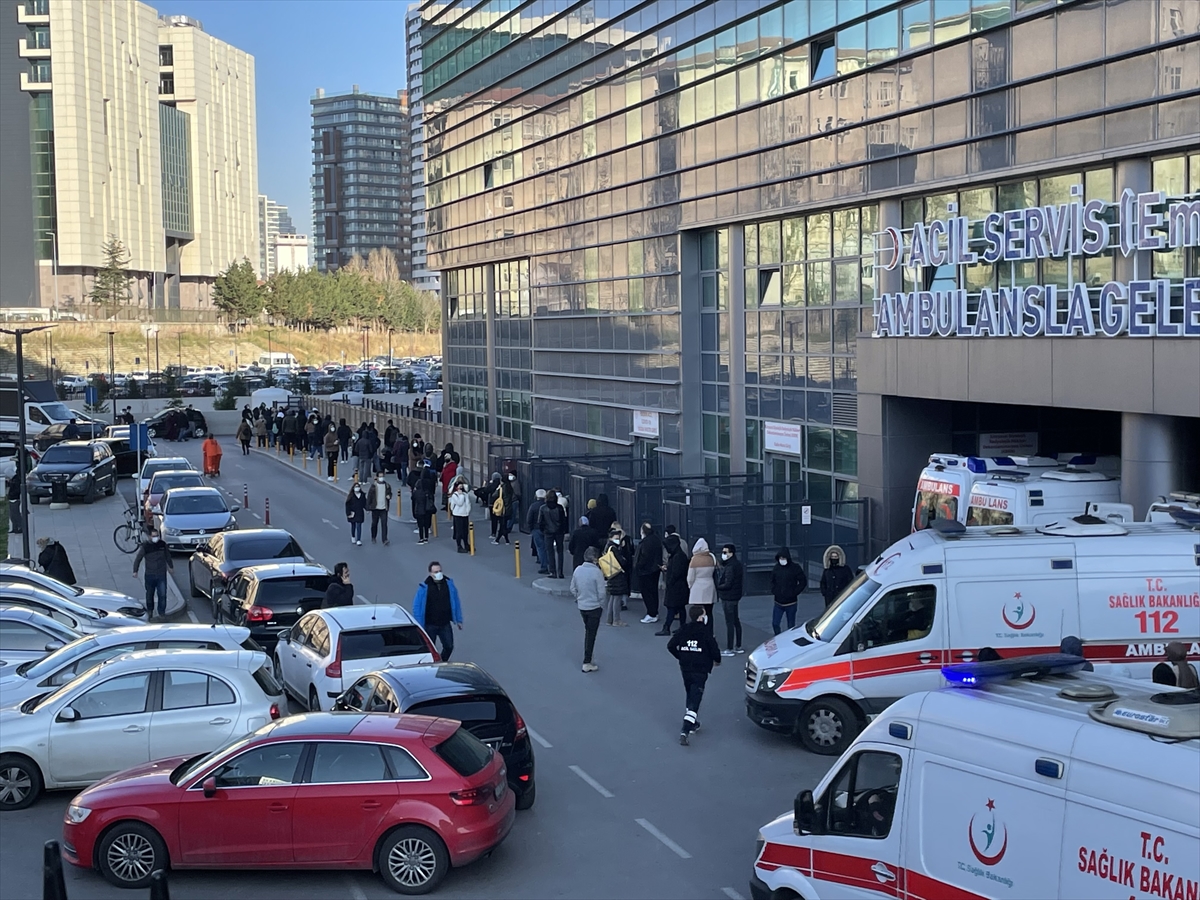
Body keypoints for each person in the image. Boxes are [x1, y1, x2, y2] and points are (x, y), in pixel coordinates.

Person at [668, 605, 722, 746]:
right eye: (704, 615)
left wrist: (681, 656)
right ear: (700, 617)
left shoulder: (684, 629)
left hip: (685, 668)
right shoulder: (705, 632)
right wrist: (716, 661)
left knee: (690, 693)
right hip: (700, 669)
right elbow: (714, 650)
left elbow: (671, 645)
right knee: (695, 699)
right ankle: (685, 730)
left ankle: (692, 723)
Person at [412, 561, 463, 661]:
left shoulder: (449, 585)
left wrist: (459, 619)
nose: (438, 574)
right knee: (430, 649)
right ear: (430, 573)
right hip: (430, 624)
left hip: (445, 623)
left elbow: (456, 602)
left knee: (449, 646)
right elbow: (417, 606)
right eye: (435, 572)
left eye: (440, 571)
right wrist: (419, 625)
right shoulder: (424, 587)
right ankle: (432, 665)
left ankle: (442, 661)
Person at [571, 546, 606, 672]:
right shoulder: (597, 572)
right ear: (595, 559)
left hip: (582, 606)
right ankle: (587, 661)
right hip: (594, 607)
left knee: (588, 630)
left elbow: (573, 588)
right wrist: (601, 604)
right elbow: (601, 593)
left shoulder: (578, 570)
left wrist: (579, 597)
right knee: (591, 634)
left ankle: (589, 657)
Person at [132, 530, 173, 619]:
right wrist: (135, 570)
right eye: (154, 536)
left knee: (162, 594)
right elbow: (138, 558)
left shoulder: (162, 544)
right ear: (150, 536)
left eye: (157, 535)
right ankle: (150, 611)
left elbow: (168, 556)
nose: (156, 538)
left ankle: (162, 612)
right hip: (150, 574)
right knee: (149, 594)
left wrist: (170, 566)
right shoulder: (146, 546)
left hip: (161, 574)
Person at [656, 532, 690, 635]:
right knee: (680, 608)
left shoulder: (678, 557)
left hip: (676, 587)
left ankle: (667, 628)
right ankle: (681, 627)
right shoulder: (678, 555)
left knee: (672, 607)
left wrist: (669, 581)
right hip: (679, 586)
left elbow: (676, 573)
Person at [598, 525, 632, 626]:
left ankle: (610, 619)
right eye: (616, 538)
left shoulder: (607, 546)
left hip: (611, 574)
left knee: (612, 598)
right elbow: (622, 562)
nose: (618, 540)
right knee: (617, 598)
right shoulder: (614, 548)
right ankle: (616, 620)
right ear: (611, 538)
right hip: (617, 575)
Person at [715, 543, 744, 656]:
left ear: (731, 553)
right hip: (734, 596)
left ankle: (730, 648)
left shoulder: (730, 566)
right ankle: (738, 645)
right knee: (735, 621)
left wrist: (718, 587)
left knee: (729, 622)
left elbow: (728, 583)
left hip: (728, 596)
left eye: (725, 552)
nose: (723, 554)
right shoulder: (736, 564)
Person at [770, 547, 807, 635]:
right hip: (778, 602)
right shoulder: (776, 568)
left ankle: (788, 641)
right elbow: (772, 581)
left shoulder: (795, 568)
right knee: (775, 623)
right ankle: (778, 637)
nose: (782, 560)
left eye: (783, 558)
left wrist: (794, 592)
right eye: (780, 558)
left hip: (791, 603)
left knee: (791, 626)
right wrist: (774, 591)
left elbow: (803, 581)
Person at [686, 538, 717, 635]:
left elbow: (690, 578)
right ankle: (710, 632)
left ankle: (699, 632)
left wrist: (690, 586)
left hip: (697, 588)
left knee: (698, 613)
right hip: (710, 586)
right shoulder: (711, 557)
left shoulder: (695, 560)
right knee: (709, 612)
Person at [634, 522, 663, 624]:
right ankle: (654, 612)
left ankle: (651, 613)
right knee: (653, 592)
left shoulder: (646, 542)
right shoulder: (656, 539)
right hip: (655, 570)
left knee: (647, 593)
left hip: (646, 571)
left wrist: (638, 566)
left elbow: (644, 557)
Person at [539, 490, 568, 578]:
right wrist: (563, 530)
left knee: (550, 552)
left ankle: (553, 571)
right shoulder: (559, 508)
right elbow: (564, 521)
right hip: (559, 532)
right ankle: (560, 572)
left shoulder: (543, 508)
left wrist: (543, 530)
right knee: (560, 551)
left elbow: (540, 522)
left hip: (548, 532)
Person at [412, 463, 436, 544]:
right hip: (428, 506)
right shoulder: (430, 483)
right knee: (426, 522)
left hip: (419, 508)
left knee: (420, 524)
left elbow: (413, 500)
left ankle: (421, 538)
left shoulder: (417, 490)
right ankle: (426, 537)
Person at [526, 489, 548, 573]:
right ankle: (548, 563)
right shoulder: (547, 505)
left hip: (536, 528)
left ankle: (543, 565)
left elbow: (529, 518)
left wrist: (531, 528)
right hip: (546, 529)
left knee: (540, 547)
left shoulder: (533, 506)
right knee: (547, 547)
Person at [367, 472, 392, 545]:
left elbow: (390, 493)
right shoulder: (373, 486)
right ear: (377, 477)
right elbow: (369, 497)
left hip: (384, 508)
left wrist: (389, 496)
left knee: (384, 524)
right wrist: (368, 507)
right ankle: (373, 536)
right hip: (375, 508)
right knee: (374, 523)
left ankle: (384, 539)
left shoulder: (387, 486)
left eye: (382, 476)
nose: (381, 478)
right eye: (380, 476)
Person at [491, 474, 516, 544]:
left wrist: (498, 488)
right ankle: (506, 540)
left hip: (503, 509)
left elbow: (494, 495)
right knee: (504, 525)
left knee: (502, 525)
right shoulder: (510, 488)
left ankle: (497, 540)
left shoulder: (502, 488)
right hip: (509, 508)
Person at [449, 481, 472, 553]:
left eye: (462, 486)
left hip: (465, 514)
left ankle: (466, 544)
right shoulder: (455, 495)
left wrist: (468, 510)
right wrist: (461, 495)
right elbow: (460, 503)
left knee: (465, 531)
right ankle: (459, 546)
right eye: (459, 486)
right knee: (459, 531)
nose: (461, 488)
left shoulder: (466, 494)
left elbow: (468, 503)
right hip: (458, 515)